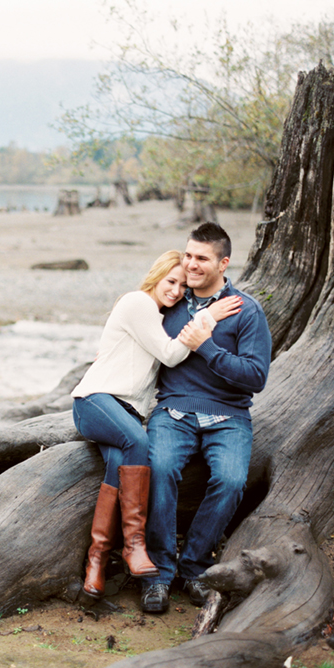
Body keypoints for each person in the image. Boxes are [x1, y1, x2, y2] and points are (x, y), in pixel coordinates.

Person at [71, 250, 242, 598]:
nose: (177, 290)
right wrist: (206, 317)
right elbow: (170, 353)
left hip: (124, 412)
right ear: (156, 277)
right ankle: (134, 546)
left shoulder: (158, 316)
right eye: (171, 281)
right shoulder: (138, 303)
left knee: (120, 462)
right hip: (95, 401)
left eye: (182, 285)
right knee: (139, 444)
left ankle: (97, 562)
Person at [141, 223, 271, 614]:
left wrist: (208, 348)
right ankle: (158, 575)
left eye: (202, 258)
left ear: (224, 262)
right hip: (174, 409)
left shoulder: (246, 310)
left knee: (231, 480)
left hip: (228, 414)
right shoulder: (170, 301)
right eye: (188, 256)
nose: (191, 265)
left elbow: (256, 376)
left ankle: (194, 566)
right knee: (160, 467)